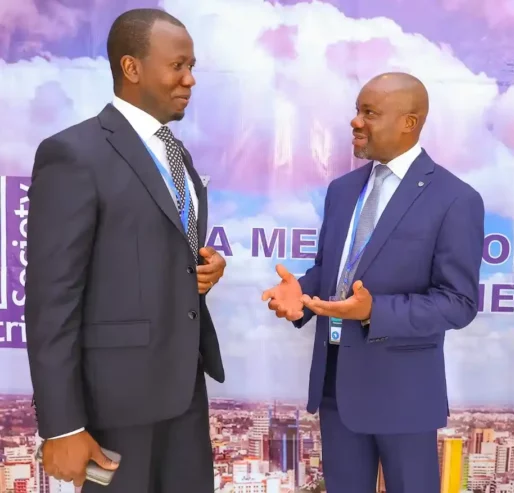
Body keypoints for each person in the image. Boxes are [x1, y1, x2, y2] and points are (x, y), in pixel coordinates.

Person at [25, 8, 226, 492]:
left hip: (183, 392)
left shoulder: (180, 156)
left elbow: (166, 245)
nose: (190, 79)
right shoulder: (73, 154)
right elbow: (52, 299)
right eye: (178, 65)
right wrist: (62, 426)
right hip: (113, 406)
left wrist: (204, 265)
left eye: (192, 65)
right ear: (132, 68)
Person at [261, 72, 484, 493]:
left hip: (404, 393)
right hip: (335, 386)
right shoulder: (342, 191)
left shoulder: (456, 199)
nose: (355, 122)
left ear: (409, 122)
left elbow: (458, 302)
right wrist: (302, 293)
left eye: (370, 113)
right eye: (357, 110)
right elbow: (331, 274)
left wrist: (374, 312)